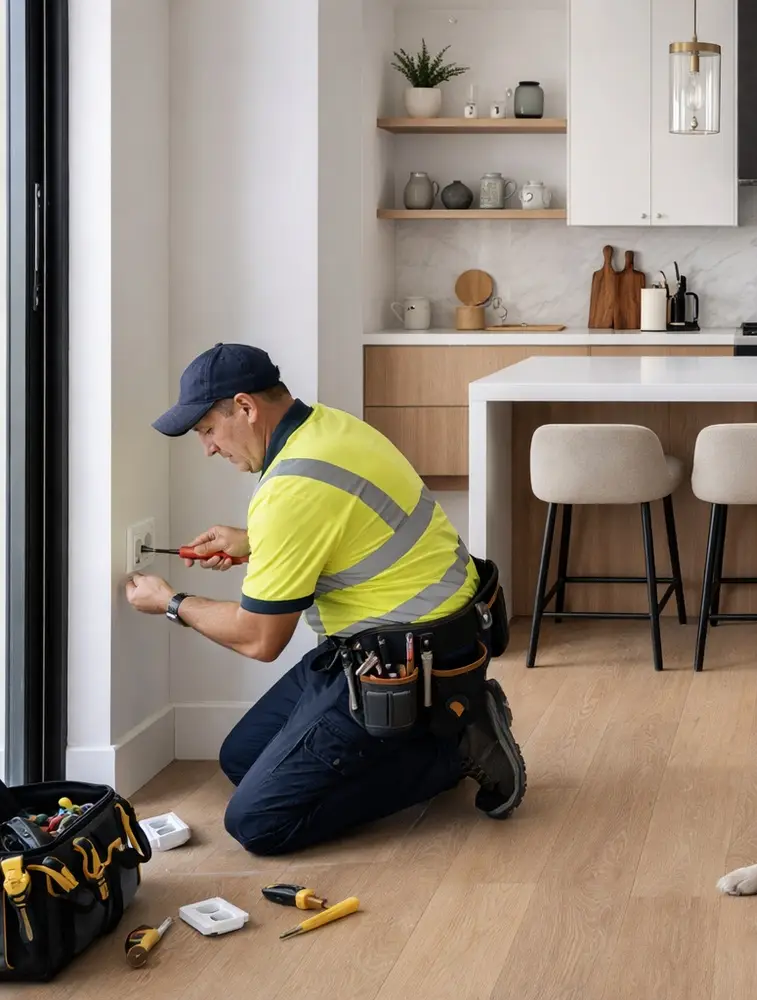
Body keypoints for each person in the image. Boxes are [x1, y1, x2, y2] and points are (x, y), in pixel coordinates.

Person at [125, 342, 526, 855]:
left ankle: (455, 742)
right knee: (242, 758)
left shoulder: (292, 487)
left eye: (206, 430)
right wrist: (255, 542)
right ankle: (435, 727)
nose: (207, 447)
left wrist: (171, 602)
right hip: (433, 638)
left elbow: (259, 638)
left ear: (245, 407)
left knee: (258, 822)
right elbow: (347, 527)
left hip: (401, 662)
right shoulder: (328, 427)